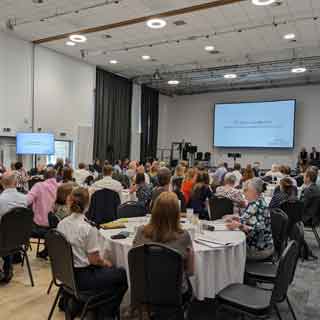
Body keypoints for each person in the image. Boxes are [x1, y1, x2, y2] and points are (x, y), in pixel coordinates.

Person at [57, 188, 128, 319]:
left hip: (66, 275)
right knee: (122, 275)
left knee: (112, 274)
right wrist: (106, 262)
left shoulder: (61, 224)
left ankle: (82, 305)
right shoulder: (88, 228)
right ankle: (104, 313)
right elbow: (94, 260)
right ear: (88, 205)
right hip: (84, 277)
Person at [133, 192, 194, 301]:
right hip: (175, 293)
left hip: (145, 290)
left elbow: (135, 265)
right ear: (177, 213)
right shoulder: (184, 236)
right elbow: (190, 271)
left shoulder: (140, 232)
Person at [226, 178, 274, 261]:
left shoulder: (258, 205)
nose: (243, 193)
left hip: (259, 250)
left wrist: (239, 225)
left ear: (253, 191)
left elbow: (258, 230)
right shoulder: (256, 202)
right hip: (258, 246)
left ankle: (237, 273)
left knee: (229, 255)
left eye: (246, 190)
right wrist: (237, 218)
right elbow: (250, 219)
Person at [0, 172, 28, 283]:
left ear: (1, 183)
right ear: (16, 183)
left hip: (4, 241)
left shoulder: (1, 200)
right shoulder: (24, 199)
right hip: (20, 240)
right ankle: (8, 267)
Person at [27, 168, 59, 258]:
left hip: (39, 225)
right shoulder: (60, 186)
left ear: (44, 176)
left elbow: (27, 201)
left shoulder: (38, 186)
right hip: (57, 226)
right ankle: (48, 249)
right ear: (55, 176)